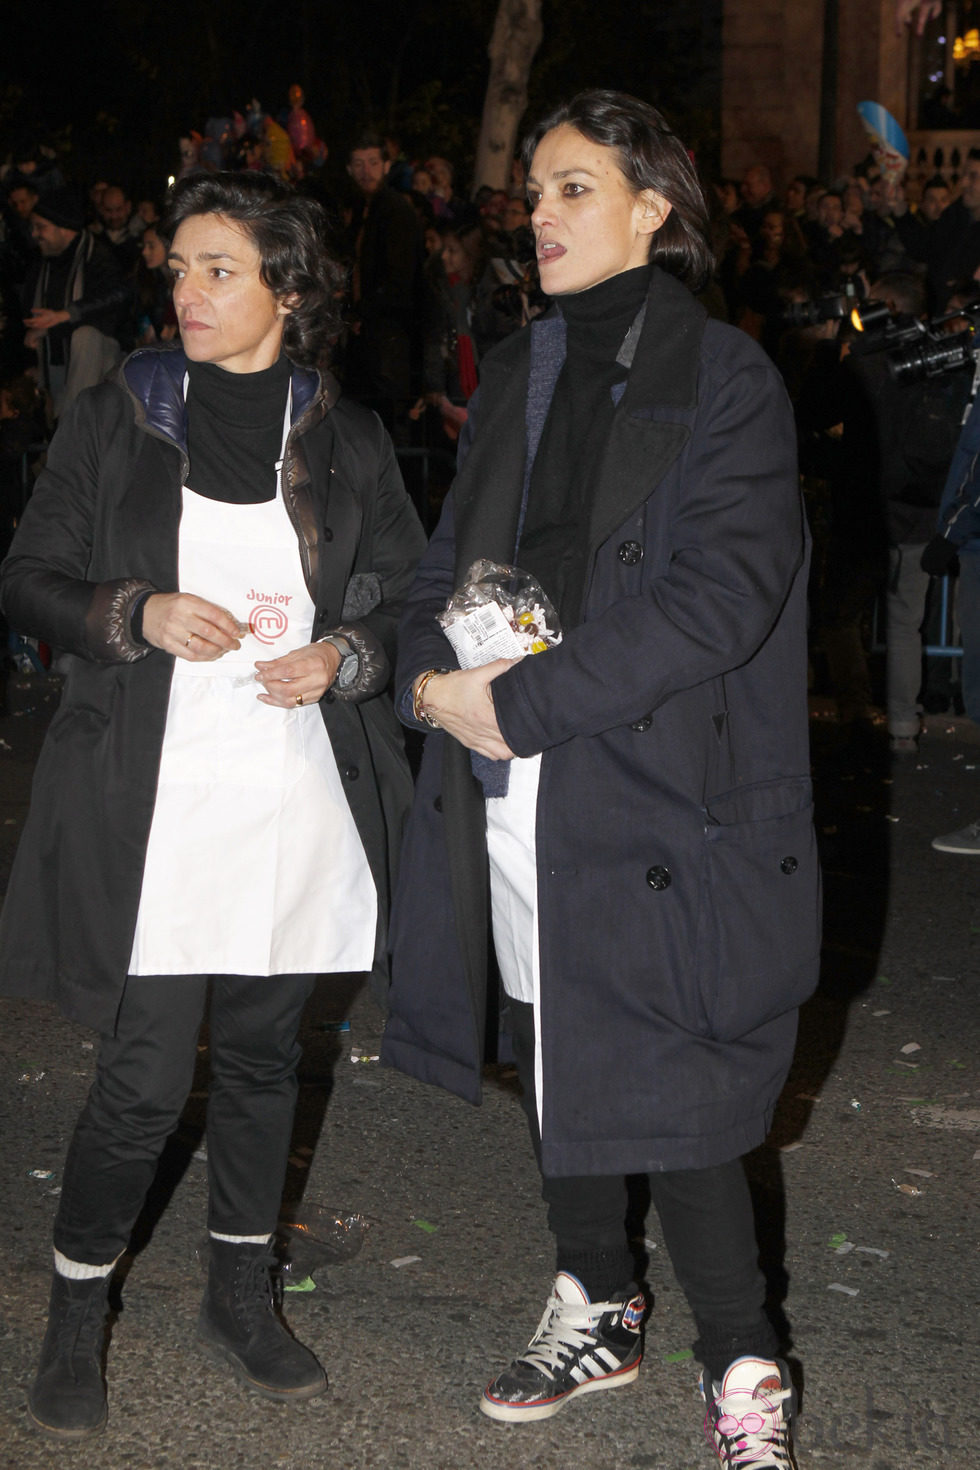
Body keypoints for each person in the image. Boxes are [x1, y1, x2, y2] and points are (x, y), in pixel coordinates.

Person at [383, 89, 819, 1469]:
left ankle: (744, 1355)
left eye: (576, 187)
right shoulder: (517, 369)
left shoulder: (730, 377)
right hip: (519, 775)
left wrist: (519, 701)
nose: (542, 212)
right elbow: (449, 552)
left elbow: (721, 599)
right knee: (561, 1040)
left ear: (655, 210)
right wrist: (419, 671)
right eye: (535, 189)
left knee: (676, 1078)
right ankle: (600, 1296)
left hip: (657, 783)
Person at [0, 170, 425, 1439]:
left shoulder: (346, 439)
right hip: (154, 800)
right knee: (138, 1081)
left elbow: (406, 594)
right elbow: (26, 578)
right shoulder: (112, 416)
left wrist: (346, 656)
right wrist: (129, 611)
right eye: (179, 267)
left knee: (258, 1061)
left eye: (218, 270)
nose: (184, 292)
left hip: (293, 803)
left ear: (287, 289)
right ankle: (79, 1315)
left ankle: (239, 1298)